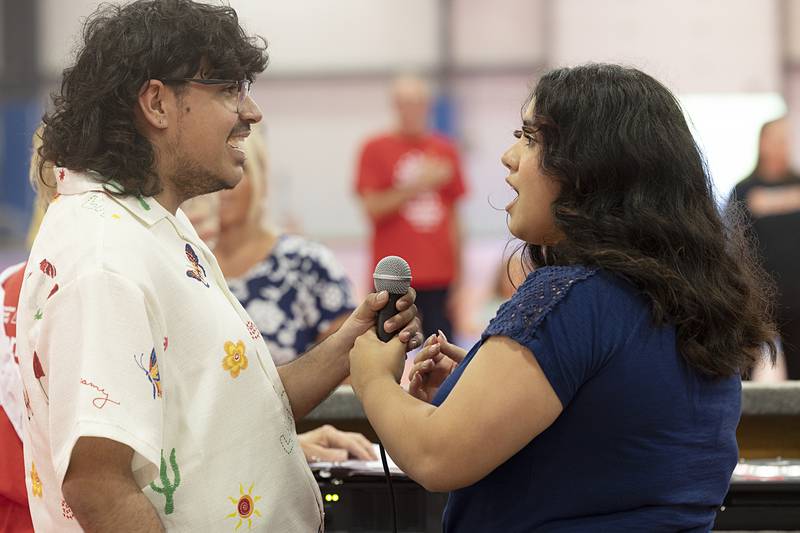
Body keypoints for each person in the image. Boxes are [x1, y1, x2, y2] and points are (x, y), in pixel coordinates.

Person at [18, 1, 420, 531]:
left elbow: (237, 409)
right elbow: (97, 483)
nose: (251, 112)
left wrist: (352, 340)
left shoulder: (153, 224)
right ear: (157, 103)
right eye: (229, 89)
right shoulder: (105, 259)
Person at [349, 64, 777, 532]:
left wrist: (373, 378)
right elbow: (608, 441)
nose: (509, 157)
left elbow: (435, 456)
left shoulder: (570, 297)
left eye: (530, 138)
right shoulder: (694, 301)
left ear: (589, 166)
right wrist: (475, 397)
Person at [200, 127, 376, 462]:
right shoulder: (189, 264)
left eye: (240, 169)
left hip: (309, 442)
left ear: (261, 180)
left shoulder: (305, 263)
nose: (223, 189)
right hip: (216, 451)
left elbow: (353, 365)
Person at [355, 74, 467, 339]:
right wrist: (420, 184)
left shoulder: (445, 150)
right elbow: (373, 208)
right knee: (384, 354)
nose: (412, 110)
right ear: (395, 106)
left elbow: (455, 219)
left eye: (418, 102)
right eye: (405, 103)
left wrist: (460, 277)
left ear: (428, 105)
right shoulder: (374, 148)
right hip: (392, 276)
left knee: (444, 356)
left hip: (440, 277)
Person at [729, 117, 800, 379]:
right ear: (763, 144)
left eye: (785, 141)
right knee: (745, 366)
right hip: (758, 297)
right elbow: (736, 243)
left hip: (797, 296)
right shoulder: (744, 189)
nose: (781, 146)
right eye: (776, 140)